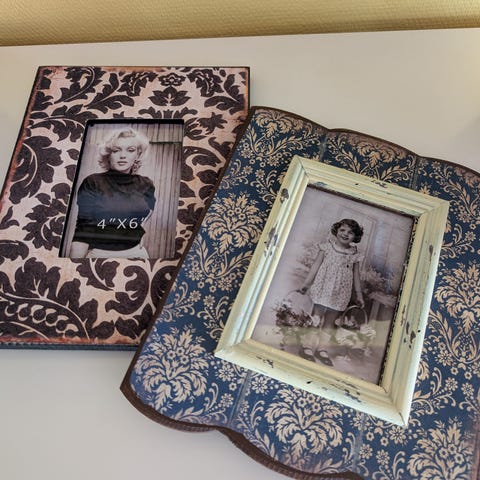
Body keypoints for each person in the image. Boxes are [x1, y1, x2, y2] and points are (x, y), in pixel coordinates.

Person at [69, 128, 156, 258]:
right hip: (101, 253)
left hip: (137, 253)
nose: (123, 155)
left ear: (138, 155)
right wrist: (74, 265)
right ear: (108, 154)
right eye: (116, 150)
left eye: (130, 150)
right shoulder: (93, 182)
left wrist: (139, 229)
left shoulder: (146, 184)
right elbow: (84, 229)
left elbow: (149, 209)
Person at [298, 218, 365, 365]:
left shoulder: (354, 254)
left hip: (341, 292)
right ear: (336, 231)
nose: (345, 234)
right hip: (323, 287)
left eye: (350, 232)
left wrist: (359, 295)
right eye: (342, 230)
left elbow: (356, 276)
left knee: (330, 322)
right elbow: (315, 266)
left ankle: (322, 349)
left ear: (356, 236)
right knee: (316, 318)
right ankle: (307, 346)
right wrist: (306, 284)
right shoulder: (327, 247)